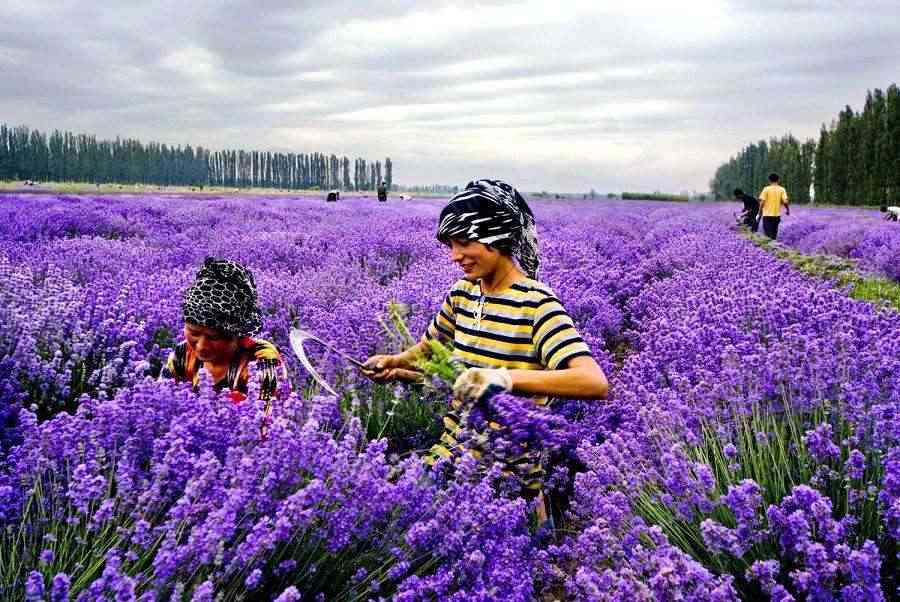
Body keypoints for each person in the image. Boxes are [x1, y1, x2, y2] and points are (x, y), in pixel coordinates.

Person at [363, 179, 608, 508]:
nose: (455, 256)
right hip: (453, 450)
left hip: (508, 469)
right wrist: (396, 364)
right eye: (450, 245)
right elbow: (428, 349)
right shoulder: (463, 293)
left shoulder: (536, 303)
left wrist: (503, 378)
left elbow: (593, 381)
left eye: (464, 243)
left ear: (497, 238)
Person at [161, 257, 289, 405]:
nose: (201, 346)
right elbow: (160, 401)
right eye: (194, 332)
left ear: (238, 333)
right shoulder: (183, 354)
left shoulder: (262, 359)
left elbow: (268, 417)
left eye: (214, 337)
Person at [757, 173, 790, 240]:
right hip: (776, 216)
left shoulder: (766, 189)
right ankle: (774, 247)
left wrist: (759, 213)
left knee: (767, 235)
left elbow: (762, 202)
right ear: (778, 180)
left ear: (769, 180)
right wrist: (787, 210)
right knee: (774, 235)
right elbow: (785, 202)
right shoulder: (782, 189)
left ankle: (769, 249)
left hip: (767, 216)